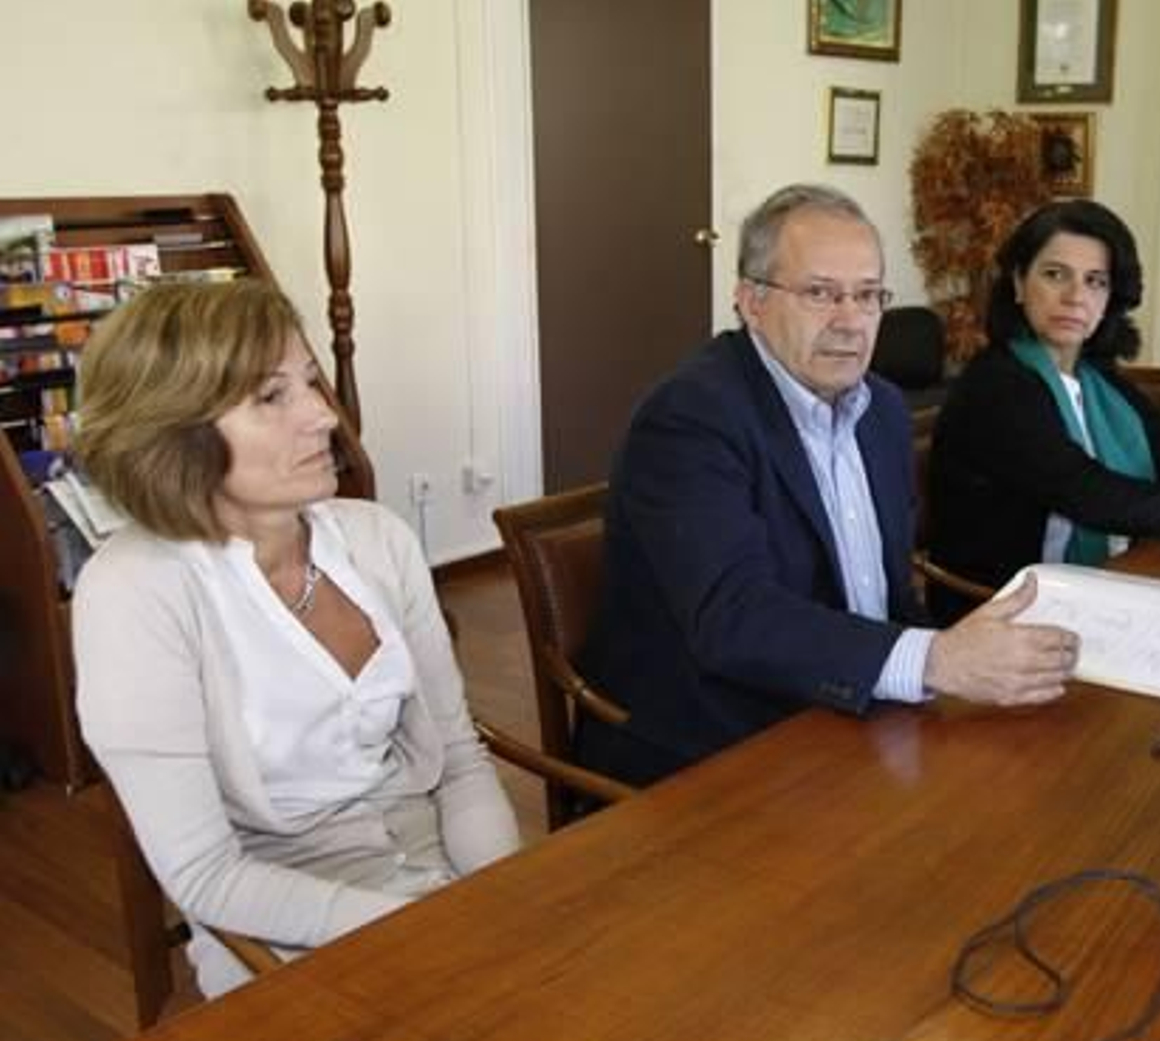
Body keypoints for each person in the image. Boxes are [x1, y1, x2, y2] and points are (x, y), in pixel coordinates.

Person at [71, 281, 520, 997]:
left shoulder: (378, 539)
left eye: (310, 381)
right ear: (172, 433)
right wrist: (419, 925)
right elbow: (206, 874)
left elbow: (460, 760)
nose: (322, 415)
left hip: (439, 866)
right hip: (279, 918)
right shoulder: (133, 592)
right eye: (271, 397)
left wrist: (502, 898)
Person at [576, 184, 1079, 787]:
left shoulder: (883, 411)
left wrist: (955, 656)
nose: (850, 321)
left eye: (868, 296)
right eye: (819, 293)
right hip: (714, 749)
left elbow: (885, 598)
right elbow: (734, 617)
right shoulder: (689, 419)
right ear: (750, 301)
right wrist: (937, 660)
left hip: (845, 715)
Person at [925, 200, 1160, 624]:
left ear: (1110, 298)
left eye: (1095, 281)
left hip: (1099, 586)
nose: (1075, 296)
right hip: (1001, 612)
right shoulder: (995, 386)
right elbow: (1086, 490)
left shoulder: (1097, 380)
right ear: (1020, 284)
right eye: (1055, 274)